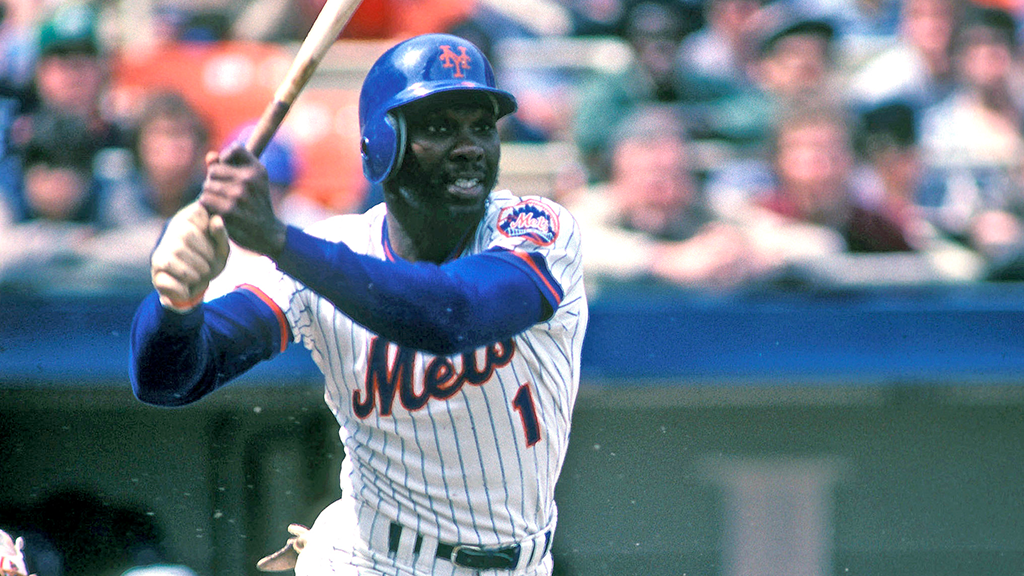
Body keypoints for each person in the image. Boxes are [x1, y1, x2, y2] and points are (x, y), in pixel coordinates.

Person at [129, 32, 588, 576]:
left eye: (482, 127)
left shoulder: (535, 228)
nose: (470, 146)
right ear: (381, 144)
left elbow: (451, 315)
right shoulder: (328, 255)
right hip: (368, 559)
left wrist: (278, 238)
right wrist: (175, 303)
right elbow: (169, 381)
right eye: (441, 128)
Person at [566, 103, 760, 293]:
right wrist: (665, 260)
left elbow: (776, 236)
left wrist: (743, 250)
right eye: (651, 174)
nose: (664, 186)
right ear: (618, 172)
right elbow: (567, 247)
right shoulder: (591, 207)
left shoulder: (707, 206)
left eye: (674, 173)